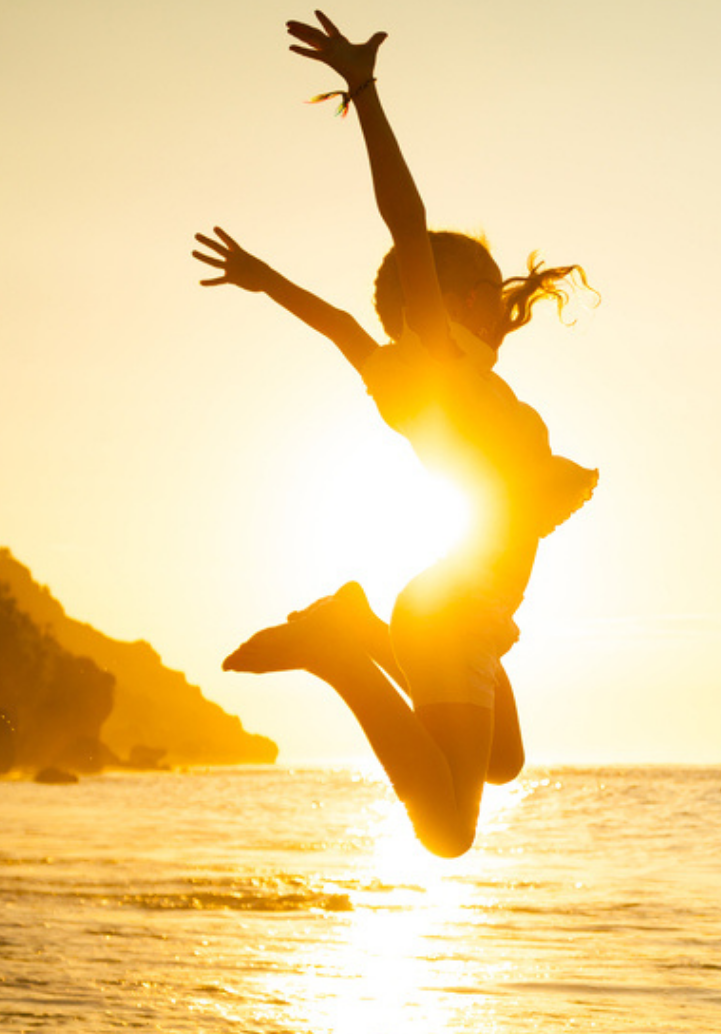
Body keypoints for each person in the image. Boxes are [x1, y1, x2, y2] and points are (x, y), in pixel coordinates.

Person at [192, 11, 596, 857]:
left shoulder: (411, 375)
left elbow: (340, 322)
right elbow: (405, 222)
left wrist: (267, 281)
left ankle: (361, 631)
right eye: (481, 288)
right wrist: (364, 91)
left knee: (506, 764)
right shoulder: (437, 363)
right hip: (453, 614)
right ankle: (340, 652)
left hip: (473, 616)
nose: (500, 301)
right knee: (448, 834)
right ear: (435, 308)